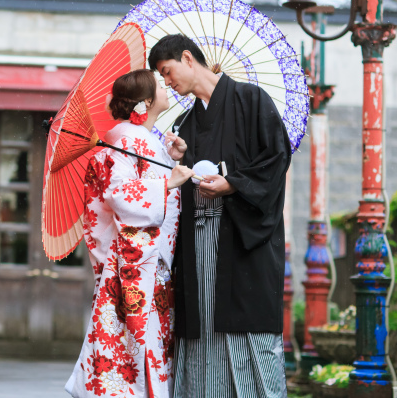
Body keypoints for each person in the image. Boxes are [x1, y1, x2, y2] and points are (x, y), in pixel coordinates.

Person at [149, 33, 291, 398]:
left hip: (243, 240)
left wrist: (232, 184)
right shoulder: (185, 122)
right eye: (163, 78)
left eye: (167, 71)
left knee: (247, 333)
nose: (167, 82)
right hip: (198, 242)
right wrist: (179, 155)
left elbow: (276, 158)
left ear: (187, 58)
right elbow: (185, 179)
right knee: (203, 330)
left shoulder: (251, 100)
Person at [65, 69, 194, 398]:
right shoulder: (129, 140)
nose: (167, 88)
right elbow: (120, 196)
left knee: (140, 351)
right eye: (161, 85)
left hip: (149, 263)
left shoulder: (138, 138)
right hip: (136, 268)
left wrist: (171, 157)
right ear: (146, 102)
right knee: (136, 353)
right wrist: (169, 181)